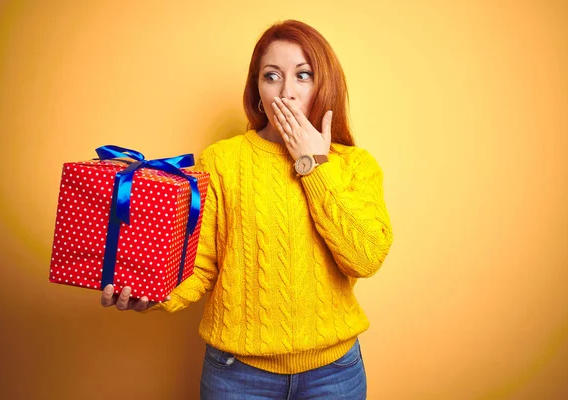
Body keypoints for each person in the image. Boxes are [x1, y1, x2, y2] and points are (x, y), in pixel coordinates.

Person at [101, 19, 393, 399]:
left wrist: (314, 165)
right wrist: (153, 293)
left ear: (324, 85)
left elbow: (365, 257)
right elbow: (201, 264)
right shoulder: (222, 161)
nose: (286, 93)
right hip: (237, 376)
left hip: (334, 374)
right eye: (272, 77)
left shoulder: (356, 165)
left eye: (303, 76)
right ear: (257, 89)